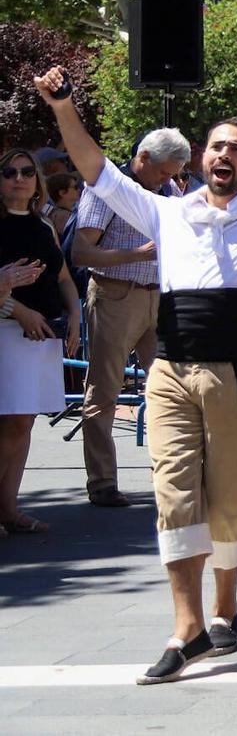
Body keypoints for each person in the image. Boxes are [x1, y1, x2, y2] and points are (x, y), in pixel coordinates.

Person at [36, 64, 237, 685]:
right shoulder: (167, 211)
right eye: (216, 145)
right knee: (174, 494)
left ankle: (226, 611)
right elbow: (95, 169)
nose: (225, 155)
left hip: (235, 375)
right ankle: (186, 628)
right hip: (170, 371)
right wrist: (62, 107)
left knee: (224, 500)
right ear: (201, 156)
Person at [68, 126, 190, 508]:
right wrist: (137, 254)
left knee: (173, 391)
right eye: (164, 172)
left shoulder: (169, 193)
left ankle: (172, 479)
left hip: (161, 298)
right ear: (143, 159)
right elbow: (81, 254)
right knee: (104, 391)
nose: (169, 180)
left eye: (173, 174)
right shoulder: (107, 190)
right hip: (115, 296)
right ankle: (102, 483)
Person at [0, 147, 82, 538]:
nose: (18, 178)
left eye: (26, 172)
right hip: (7, 334)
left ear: (37, 182)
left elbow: (63, 276)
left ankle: (10, 508)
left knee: (24, 422)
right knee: (8, 421)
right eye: (9, 171)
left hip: (43, 336)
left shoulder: (43, 225)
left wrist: (76, 316)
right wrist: (20, 311)